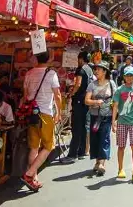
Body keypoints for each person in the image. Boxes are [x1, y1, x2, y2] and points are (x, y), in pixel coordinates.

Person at [21, 51, 62, 191]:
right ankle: (29, 174)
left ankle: (33, 179)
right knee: (49, 146)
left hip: (32, 114)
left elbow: (25, 95)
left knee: (34, 147)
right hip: (45, 114)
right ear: (50, 58)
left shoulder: (29, 73)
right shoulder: (51, 74)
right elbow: (57, 95)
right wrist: (59, 112)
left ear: (36, 58)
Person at [85, 61, 116, 176]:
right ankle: (97, 161)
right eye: (95, 69)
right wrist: (96, 101)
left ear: (104, 71)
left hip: (107, 116)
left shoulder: (111, 84)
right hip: (94, 116)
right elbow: (86, 100)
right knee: (95, 139)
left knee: (105, 138)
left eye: (98, 69)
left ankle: (102, 163)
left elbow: (116, 102)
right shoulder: (92, 85)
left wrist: (114, 119)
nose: (96, 71)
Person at [68, 51, 93, 162]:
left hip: (79, 100)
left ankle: (73, 154)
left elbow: (78, 84)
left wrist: (71, 93)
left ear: (81, 59)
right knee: (83, 126)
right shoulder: (90, 69)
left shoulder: (81, 69)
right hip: (86, 101)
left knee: (76, 127)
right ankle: (82, 151)